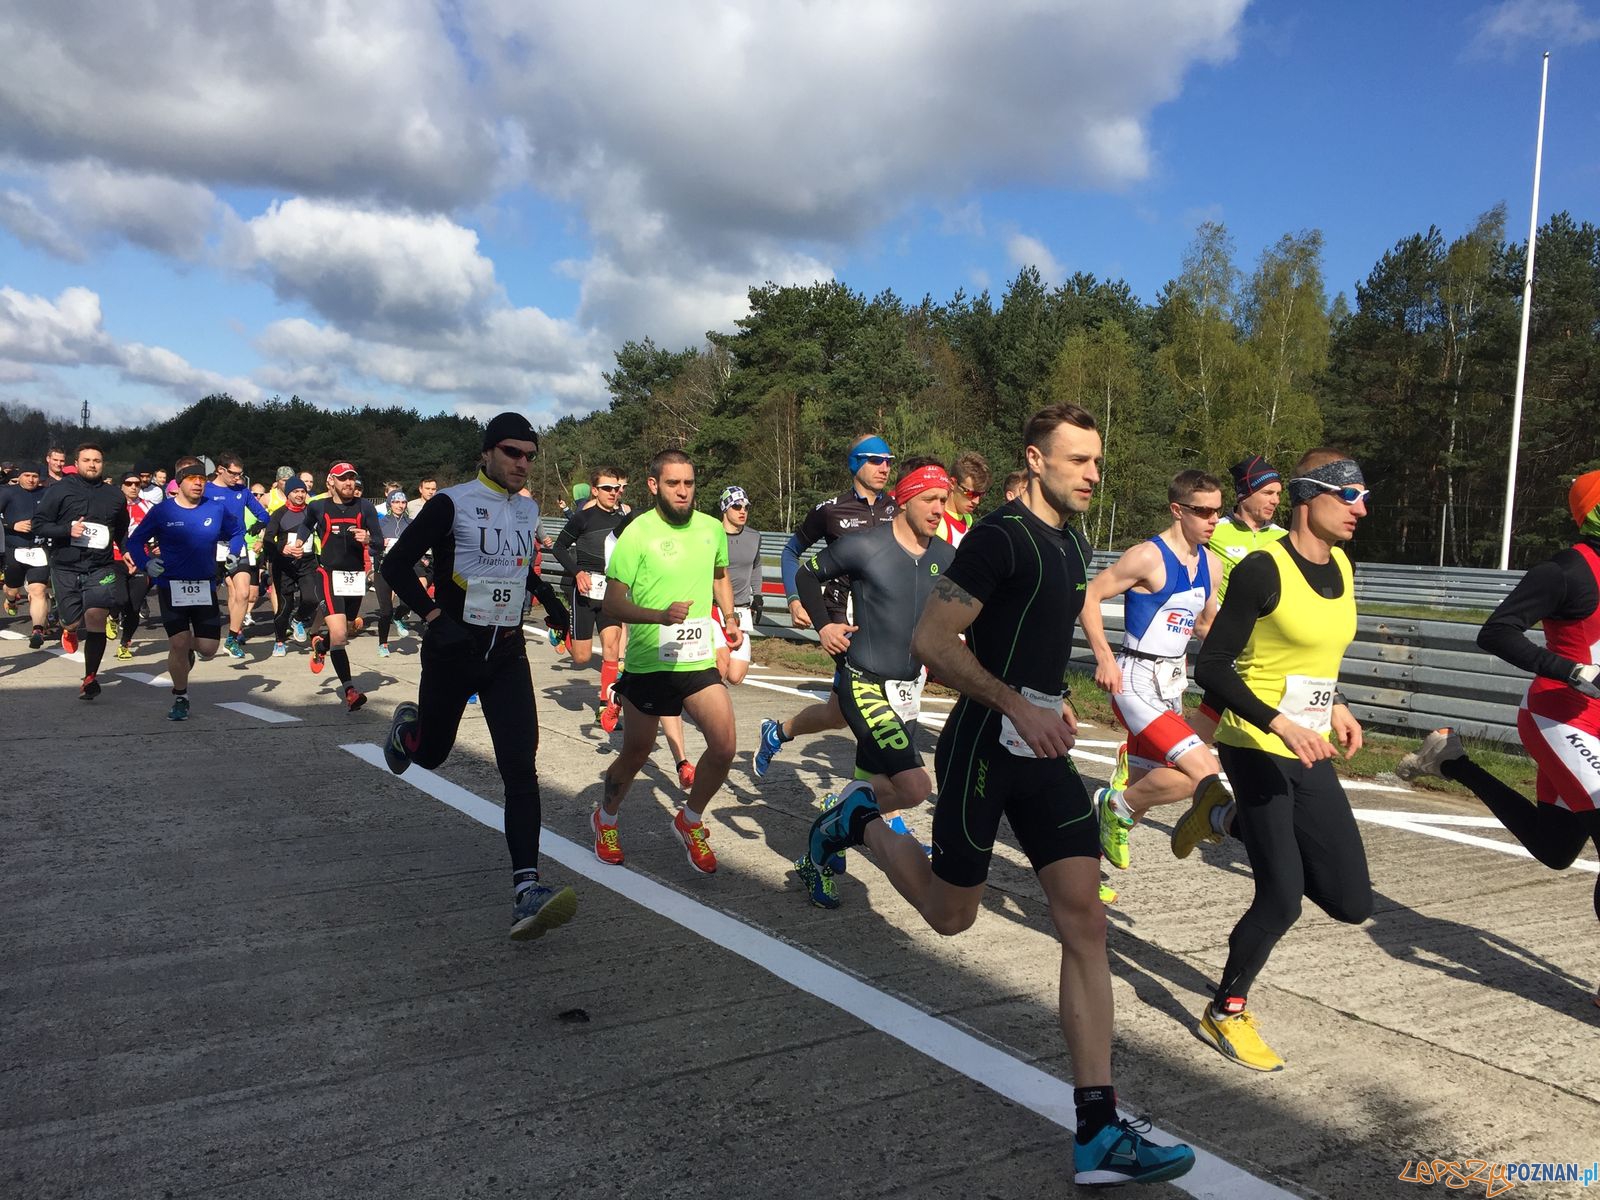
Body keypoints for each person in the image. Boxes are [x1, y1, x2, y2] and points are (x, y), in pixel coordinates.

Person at [804, 404, 1195, 1186]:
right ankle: (862, 823)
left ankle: (1097, 1130)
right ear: (1036, 460)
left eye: (1096, 460)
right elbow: (932, 642)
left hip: (1042, 751)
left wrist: (1052, 695)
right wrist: (1016, 702)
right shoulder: (998, 537)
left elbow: (1037, 638)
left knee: (1083, 920)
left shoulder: (1070, 540)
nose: (1091, 472)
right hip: (986, 744)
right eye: (1077, 460)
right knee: (953, 916)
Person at [1190, 449, 1374, 1073]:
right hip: (1255, 743)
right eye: (1349, 496)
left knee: (1352, 902)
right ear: (1308, 496)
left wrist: (1338, 703)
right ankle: (1227, 1010)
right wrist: (1280, 721)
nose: (1361, 509)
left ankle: (1222, 820)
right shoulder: (1263, 570)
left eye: (1362, 497)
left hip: (1310, 745)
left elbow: (1319, 654)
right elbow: (1210, 669)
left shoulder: (1345, 565)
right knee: (1283, 896)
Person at [1397, 470, 1600, 1007]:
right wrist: (1573, 672)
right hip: (1562, 718)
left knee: (1557, 849)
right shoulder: (1567, 570)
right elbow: (1496, 631)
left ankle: (1452, 761)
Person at [381, 413, 575, 941]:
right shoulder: (451, 502)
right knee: (432, 756)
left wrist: (549, 600)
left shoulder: (530, 508)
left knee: (521, 768)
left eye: (530, 455)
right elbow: (395, 565)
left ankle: (525, 889)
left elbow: (516, 565)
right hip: (453, 652)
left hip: (506, 654)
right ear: (487, 454)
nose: (523, 463)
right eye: (513, 452)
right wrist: (434, 619)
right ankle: (407, 732)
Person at [790, 458, 957, 907]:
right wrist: (824, 624)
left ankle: (824, 845)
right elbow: (807, 573)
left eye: (944, 500)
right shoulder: (866, 546)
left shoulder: (946, 556)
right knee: (915, 787)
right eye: (930, 499)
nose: (940, 509)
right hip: (862, 682)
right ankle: (836, 823)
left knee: (873, 785)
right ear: (904, 499)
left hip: (909, 688)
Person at [593, 449, 742, 874]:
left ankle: (689, 818)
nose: (683, 491)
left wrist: (729, 618)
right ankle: (605, 818)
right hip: (648, 661)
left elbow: (719, 574)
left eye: (689, 483)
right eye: (673, 483)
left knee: (725, 744)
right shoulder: (636, 534)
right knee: (637, 751)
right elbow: (613, 601)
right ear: (653, 485)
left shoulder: (713, 529)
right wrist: (658, 616)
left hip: (695, 659)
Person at [1079, 470, 1225, 874]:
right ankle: (1114, 805)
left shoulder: (1211, 565)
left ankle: (1087, 875)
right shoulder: (1147, 555)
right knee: (1203, 773)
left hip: (1170, 686)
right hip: (1135, 678)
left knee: (1152, 789)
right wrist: (1104, 657)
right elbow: (1090, 594)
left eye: (1218, 511)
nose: (1213, 519)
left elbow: (1206, 625)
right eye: (1204, 511)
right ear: (1178, 510)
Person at [754, 434, 898, 776]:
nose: (884, 468)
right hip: (842, 620)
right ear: (854, 464)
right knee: (871, 705)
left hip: (883, 618)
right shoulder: (830, 510)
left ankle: (778, 731)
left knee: (836, 715)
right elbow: (791, 552)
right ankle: (870, 800)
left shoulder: (898, 508)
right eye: (876, 460)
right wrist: (793, 599)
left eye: (889, 461)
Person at [127, 462, 243, 720]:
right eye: (192, 478)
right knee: (178, 642)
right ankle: (181, 696)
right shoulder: (162, 512)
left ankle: (185, 650)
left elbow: (236, 530)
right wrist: (146, 563)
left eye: (201, 478)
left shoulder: (215, 508)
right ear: (179, 483)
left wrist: (234, 552)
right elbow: (135, 541)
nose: (198, 483)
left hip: (204, 586)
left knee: (209, 648)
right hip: (172, 585)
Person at [32, 444, 131, 699]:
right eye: (86, 460)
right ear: (76, 463)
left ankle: (90, 678)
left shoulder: (114, 495)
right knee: (73, 620)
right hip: (65, 565)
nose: (92, 464)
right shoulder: (60, 490)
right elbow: (39, 525)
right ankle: (69, 627)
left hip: (101, 565)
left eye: (97, 460)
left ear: (103, 463)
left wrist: (128, 550)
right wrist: (67, 530)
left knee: (97, 616)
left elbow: (120, 530)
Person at [550, 465, 629, 728]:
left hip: (610, 592)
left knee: (612, 648)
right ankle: (564, 629)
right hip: (584, 590)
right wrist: (577, 573)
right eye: (607, 488)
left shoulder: (623, 518)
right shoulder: (583, 518)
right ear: (595, 490)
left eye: (616, 488)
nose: (613, 493)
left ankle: (606, 707)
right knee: (581, 659)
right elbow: (559, 547)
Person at [303, 462, 383, 711]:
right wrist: (295, 543)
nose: (348, 483)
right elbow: (305, 526)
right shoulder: (318, 506)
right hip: (328, 574)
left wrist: (369, 539)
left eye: (352, 479)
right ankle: (350, 691)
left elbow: (379, 540)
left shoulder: (365, 507)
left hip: (355, 577)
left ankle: (320, 644)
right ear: (331, 481)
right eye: (343, 479)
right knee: (340, 635)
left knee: (345, 632)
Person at [207, 452, 272, 657]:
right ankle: (202, 636)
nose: (238, 478)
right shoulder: (206, 490)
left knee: (243, 593)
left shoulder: (242, 491)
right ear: (220, 470)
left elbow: (263, 514)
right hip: (211, 546)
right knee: (208, 596)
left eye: (240, 474)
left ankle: (232, 638)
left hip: (237, 544)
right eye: (234, 474)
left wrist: (260, 523)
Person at [263, 477, 321, 657]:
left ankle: (297, 620)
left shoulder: (312, 513)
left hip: (307, 562)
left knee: (312, 598)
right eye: (296, 491)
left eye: (303, 491)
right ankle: (279, 641)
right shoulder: (280, 513)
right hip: (284, 565)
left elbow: (324, 532)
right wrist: (283, 548)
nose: (300, 495)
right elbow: (268, 538)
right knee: (284, 606)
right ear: (288, 494)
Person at [713, 484, 761, 686]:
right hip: (713, 608)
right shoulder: (712, 534)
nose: (743, 511)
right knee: (720, 667)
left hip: (741, 610)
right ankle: (712, 712)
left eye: (746, 507)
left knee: (735, 676)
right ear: (725, 508)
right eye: (737, 507)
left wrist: (757, 595)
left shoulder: (754, 537)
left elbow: (756, 566)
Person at [1, 463, 50, 647]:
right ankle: (12, 600)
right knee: (12, 588)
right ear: (19, 476)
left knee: (38, 591)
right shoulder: (7, 492)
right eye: (27, 475)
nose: (31, 479)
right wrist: (11, 525)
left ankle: (37, 630)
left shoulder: (45, 493)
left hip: (39, 549)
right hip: (15, 549)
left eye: (35, 476)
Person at [115, 470, 156, 659]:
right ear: (121, 485)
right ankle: (113, 615)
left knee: (134, 605)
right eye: (129, 483)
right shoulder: (113, 506)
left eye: (137, 484)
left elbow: (159, 529)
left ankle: (125, 643)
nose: (133, 487)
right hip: (115, 559)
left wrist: (158, 546)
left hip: (141, 559)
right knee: (120, 598)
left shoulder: (148, 506)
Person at [375, 488, 417, 656]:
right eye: (396, 502)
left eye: (403, 502)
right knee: (385, 611)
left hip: (403, 570)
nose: (400, 505)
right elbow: (371, 548)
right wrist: (380, 545)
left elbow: (417, 544)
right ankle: (383, 644)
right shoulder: (381, 523)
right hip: (383, 569)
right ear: (389, 504)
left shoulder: (411, 522)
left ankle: (398, 617)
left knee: (408, 603)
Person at [933, 450, 991, 546]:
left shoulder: (968, 519)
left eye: (980, 495)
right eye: (971, 493)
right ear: (952, 483)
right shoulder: (938, 522)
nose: (976, 501)